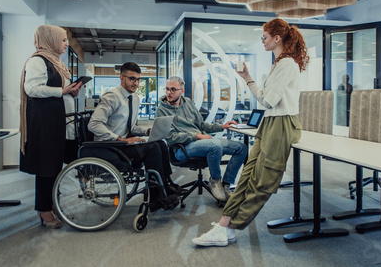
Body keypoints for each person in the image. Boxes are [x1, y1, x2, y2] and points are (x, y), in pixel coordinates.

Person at [192, 18, 308, 247]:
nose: (262, 41)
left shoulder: (286, 64)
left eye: (264, 37)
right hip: (271, 123)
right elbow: (267, 99)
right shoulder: (279, 64)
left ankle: (230, 228)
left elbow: (268, 100)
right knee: (246, 178)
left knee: (262, 181)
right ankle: (224, 226)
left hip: (281, 124)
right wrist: (247, 79)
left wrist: (253, 82)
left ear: (277, 38)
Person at [87, 62, 179, 211]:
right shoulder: (111, 97)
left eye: (138, 79)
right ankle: (156, 197)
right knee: (153, 149)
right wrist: (120, 139)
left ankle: (167, 184)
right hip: (110, 147)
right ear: (121, 78)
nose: (136, 83)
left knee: (160, 143)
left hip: (124, 145)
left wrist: (147, 131)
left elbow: (131, 127)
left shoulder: (134, 98)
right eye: (132, 79)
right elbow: (94, 124)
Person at [20, 25, 83, 229]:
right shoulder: (39, 60)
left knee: (55, 167)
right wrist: (62, 90)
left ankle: (52, 204)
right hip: (45, 123)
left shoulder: (56, 62)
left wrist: (72, 92)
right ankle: (44, 211)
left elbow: (59, 91)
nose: (66, 43)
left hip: (59, 121)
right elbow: (32, 89)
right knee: (46, 168)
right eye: (63, 40)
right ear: (50, 39)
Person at [156, 76, 248, 202]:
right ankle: (215, 181)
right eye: (167, 89)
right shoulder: (161, 110)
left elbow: (202, 125)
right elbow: (171, 138)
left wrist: (222, 126)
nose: (169, 92)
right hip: (182, 149)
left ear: (181, 91)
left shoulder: (188, 102)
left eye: (173, 89)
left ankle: (226, 184)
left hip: (201, 142)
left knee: (241, 148)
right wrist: (197, 136)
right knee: (214, 145)